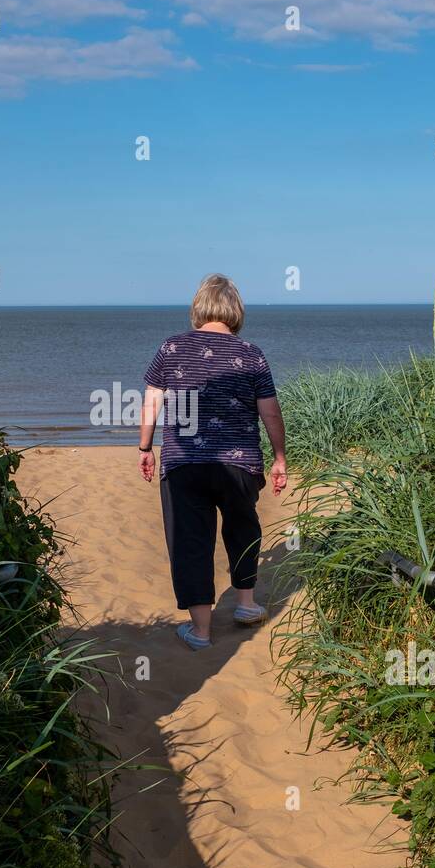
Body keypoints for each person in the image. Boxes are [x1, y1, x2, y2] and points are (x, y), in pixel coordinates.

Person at [138, 274, 287, 650]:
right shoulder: (250, 353)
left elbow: (151, 404)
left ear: (198, 309)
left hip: (184, 464)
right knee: (243, 528)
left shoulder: (171, 348)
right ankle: (246, 605)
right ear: (235, 312)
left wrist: (144, 448)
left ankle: (201, 631)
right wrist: (280, 458)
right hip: (239, 464)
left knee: (191, 540)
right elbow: (270, 412)